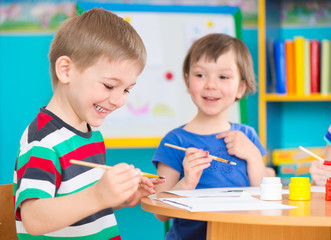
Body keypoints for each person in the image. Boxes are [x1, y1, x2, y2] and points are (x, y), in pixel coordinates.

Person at [13, 8, 164, 239]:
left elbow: (77, 208)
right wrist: (99, 196)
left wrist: (117, 197)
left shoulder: (91, 134)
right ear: (66, 70)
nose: (118, 100)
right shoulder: (43, 140)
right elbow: (33, 218)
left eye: (126, 90)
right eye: (109, 86)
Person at [152, 33, 267, 240]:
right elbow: (160, 211)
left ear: (241, 87)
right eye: (200, 75)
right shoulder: (174, 141)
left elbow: (265, 194)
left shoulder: (247, 135)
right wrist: (187, 182)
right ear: (187, 82)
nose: (211, 85)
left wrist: (253, 155)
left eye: (223, 77)